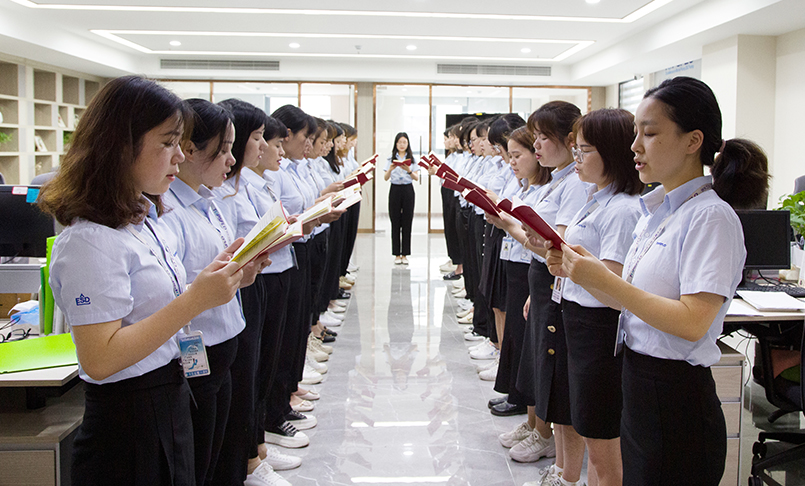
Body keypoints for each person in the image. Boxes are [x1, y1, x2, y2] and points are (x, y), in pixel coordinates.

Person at [546, 76, 766, 485]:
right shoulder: (659, 212)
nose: (635, 147)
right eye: (635, 134)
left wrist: (608, 282)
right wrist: (583, 272)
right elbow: (628, 303)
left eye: (649, 133)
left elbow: (691, 321)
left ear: (692, 140)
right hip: (638, 383)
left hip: (676, 398)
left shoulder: (711, 217)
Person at [40, 75, 245, 486]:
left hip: (169, 393)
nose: (178, 158)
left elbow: (152, 308)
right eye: (168, 143)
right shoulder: (89, 240)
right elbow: (100, 359)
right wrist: (194, 300)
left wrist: (210, 283)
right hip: (128, 419)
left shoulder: (143, 219)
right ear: (121, 145)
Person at [161, 98, 266, 486]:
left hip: (225, 340)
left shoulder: (207, 200)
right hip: (197, 349)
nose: (231, 159)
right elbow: (172, 289)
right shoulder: (168, 211)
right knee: (202, 459)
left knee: (221, 451)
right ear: (189, 151)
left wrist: (245, 271)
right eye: (222, 150)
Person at [546, 108, 643, 486]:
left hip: (600, 330)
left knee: (603, 446)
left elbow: (614, 285)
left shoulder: (621, 210)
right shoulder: (595, 198)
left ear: (612, 152)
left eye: (584, 151)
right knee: (586, 425)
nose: (577, 159)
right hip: (578, 320)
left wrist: (572, 267)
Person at [384, 131, 419, 264]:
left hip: (408, 190)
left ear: (408, 143)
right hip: (395, 189)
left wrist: (408, 170)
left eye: (404, 142)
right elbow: (385, 178)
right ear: (396, 144)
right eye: (400, 142)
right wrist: (390, 169)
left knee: (407, 221)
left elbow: (416, 177)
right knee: (395, 221)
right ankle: (396, 254)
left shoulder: (412, 159)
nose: (402, 144)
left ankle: (405, 254)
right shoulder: (390, 158)